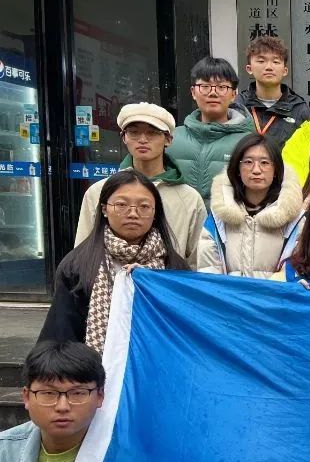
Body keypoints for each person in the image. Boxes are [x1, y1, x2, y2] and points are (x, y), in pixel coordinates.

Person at [40, 171, 188, 351]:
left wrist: (149, 279)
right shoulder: (77, 266)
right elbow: (62, 334)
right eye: (121, 205)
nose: (133, 213)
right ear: (104, 209)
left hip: (157, 360)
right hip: (94, 364)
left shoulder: (174, 267)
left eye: (144, 206)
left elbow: (185, 327)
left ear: (155, 212)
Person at [75, 103, 205, 269]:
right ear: (124, 137)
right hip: (106, 282)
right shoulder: (99, 192)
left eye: (152, 132)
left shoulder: (189, 198)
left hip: (168, 282)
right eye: (134, 132)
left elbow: (198, 262)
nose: (142, 139)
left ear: (168, 139)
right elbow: (82, 255)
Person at [198, 133, 304, 278]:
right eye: (248, 162)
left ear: (276, 170)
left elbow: (297, 270)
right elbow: (208, 270)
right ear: (238, 169)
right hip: (227, 292)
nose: (256, 170)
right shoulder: (218, 217)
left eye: (264, 163)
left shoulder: (295, 219)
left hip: (274, 293)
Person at [168, 56, 255, 203]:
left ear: (233, 94)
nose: (213, 93)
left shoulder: (249, 142)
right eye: (205, 86)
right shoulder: (171, 138)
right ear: (193, 92)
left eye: (222, 87)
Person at [237, 35, 310, 149]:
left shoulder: (299, 109)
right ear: (249, 68)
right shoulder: (238, 105)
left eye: (276, 62)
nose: (269, 67)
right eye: (261, 61)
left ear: (285, 71)